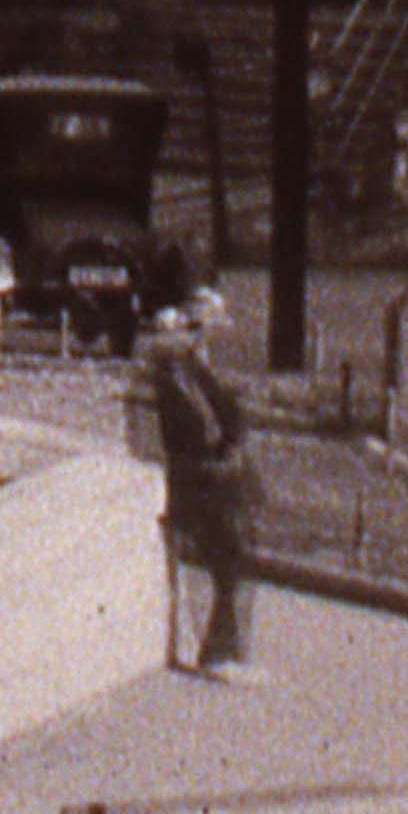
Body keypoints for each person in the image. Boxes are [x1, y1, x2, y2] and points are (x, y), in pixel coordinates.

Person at [135, 290, 264, 682]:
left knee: (228, 562)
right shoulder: (177, 373)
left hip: (210, 475)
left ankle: (224, 649)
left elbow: (220, 415)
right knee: (225, 561)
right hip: (205, 480)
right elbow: (199, 427)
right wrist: (226, 448)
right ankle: (219, 654)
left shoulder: (189, 369)